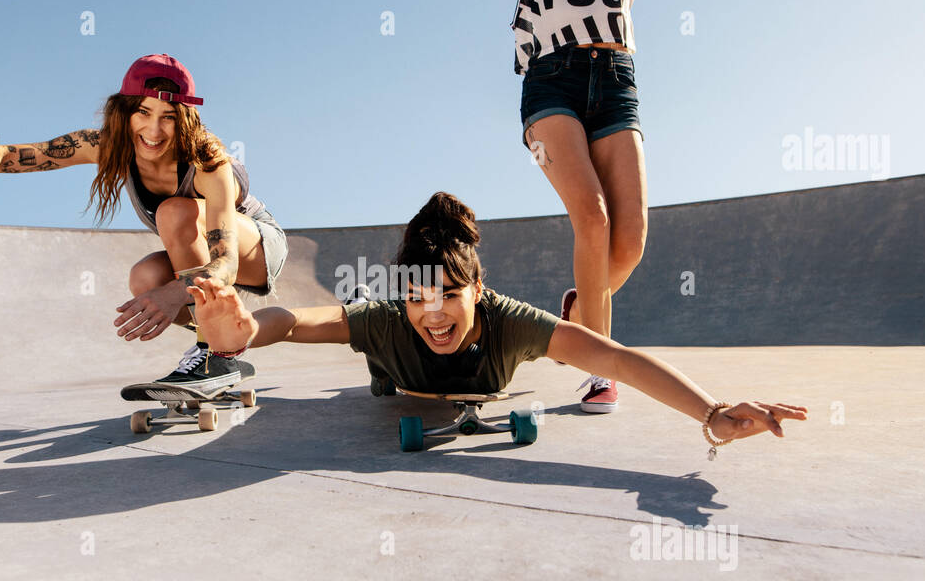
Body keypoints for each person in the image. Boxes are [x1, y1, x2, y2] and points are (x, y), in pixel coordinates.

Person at [188, 193, 806, 455]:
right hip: (396, 382)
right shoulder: (387, 320)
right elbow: (297, 319)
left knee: (575, 350)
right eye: (418, 297)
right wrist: (245, 334)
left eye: (450, 295)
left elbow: (617, 359)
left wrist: (713, 413)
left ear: (479, 291)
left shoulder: (505, 320)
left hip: (493, 371)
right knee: (380, 371)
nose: (432, 312)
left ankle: (564, 329)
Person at [0, 54, 287, 390]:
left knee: (173, 212)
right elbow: (13, 157)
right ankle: (234, 342)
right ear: (125, 111)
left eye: (169, 117)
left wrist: (176, 293)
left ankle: (212, 357)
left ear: (185, 120)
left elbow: (224, 264)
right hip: (201, 265)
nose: (154, 131)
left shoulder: (208, 162)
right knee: (144, 278)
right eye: (144, 112)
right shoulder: (106, 144)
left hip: (255, 248)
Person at [427, 0, 669, 414]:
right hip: (549, 89)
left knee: (629, 242)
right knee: (593, 216)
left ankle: (580, 313)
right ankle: (600, 366)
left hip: (615, 85)